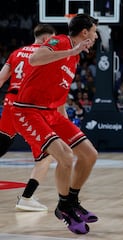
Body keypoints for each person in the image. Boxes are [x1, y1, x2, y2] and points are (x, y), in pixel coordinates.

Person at [11, 14, 99, 234]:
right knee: (66, 157)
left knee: (89, 154)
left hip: (52, 112)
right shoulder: (60, 41)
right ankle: (64, 208)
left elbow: (59, 91)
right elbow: (35, 58)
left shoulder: (76, 57)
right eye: (95, 31)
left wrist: (67, 127)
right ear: (85, 32)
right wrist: (71, 51)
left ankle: (71, 201)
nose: (96, 36)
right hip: (27, 109)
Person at [0, 24, 56, 212]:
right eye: (51, 41)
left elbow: (1, 78)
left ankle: (27, 197)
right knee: (46, 155)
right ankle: (27, 197)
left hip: (9, 102)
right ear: (44, 39)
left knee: (2, 143)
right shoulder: (45, 55)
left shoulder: (16, 53)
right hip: (29, 105)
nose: (53, 44)